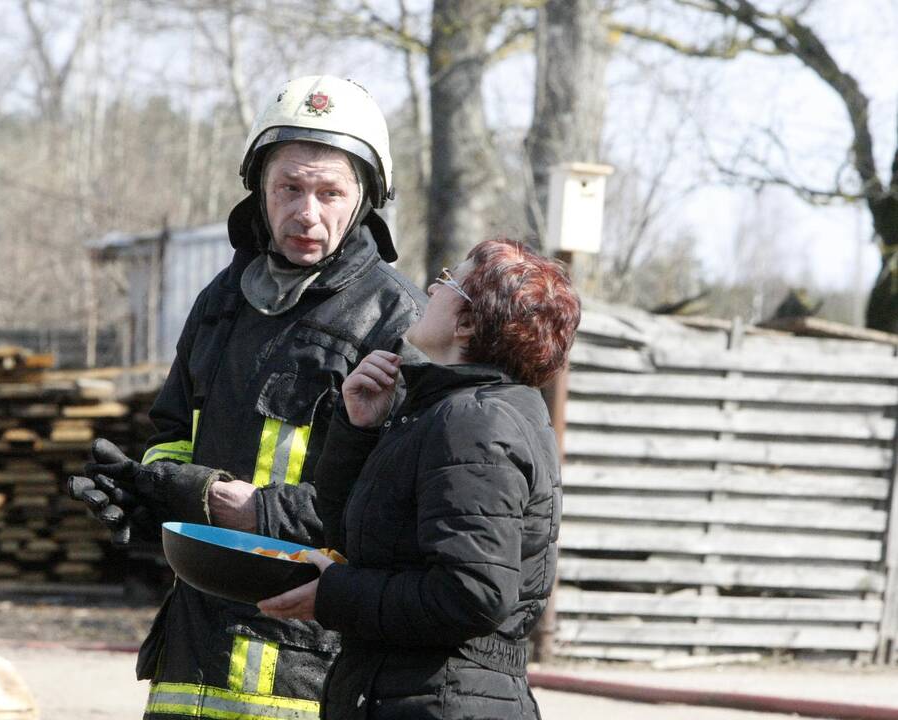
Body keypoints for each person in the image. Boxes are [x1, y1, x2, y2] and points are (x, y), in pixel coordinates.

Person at [67, 75, 425, 719]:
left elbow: (396, 503)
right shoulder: (221, 301)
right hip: (191, 650)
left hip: (307, 659)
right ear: (260, 188)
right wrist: (149, 493)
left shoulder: (397, 322)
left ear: (366, 198)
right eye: (289, 187)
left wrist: (258, 515)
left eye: (329, 192)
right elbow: (172, 435)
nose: (306, 212)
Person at [259, 239, 580, 720]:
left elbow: (472, 596)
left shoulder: (475, 422)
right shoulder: (445, 412)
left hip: (443, 701)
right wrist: (360, 430)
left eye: (449, 281)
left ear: (467, 323)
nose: (431, 286)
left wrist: (336, 597)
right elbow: (353, 539)